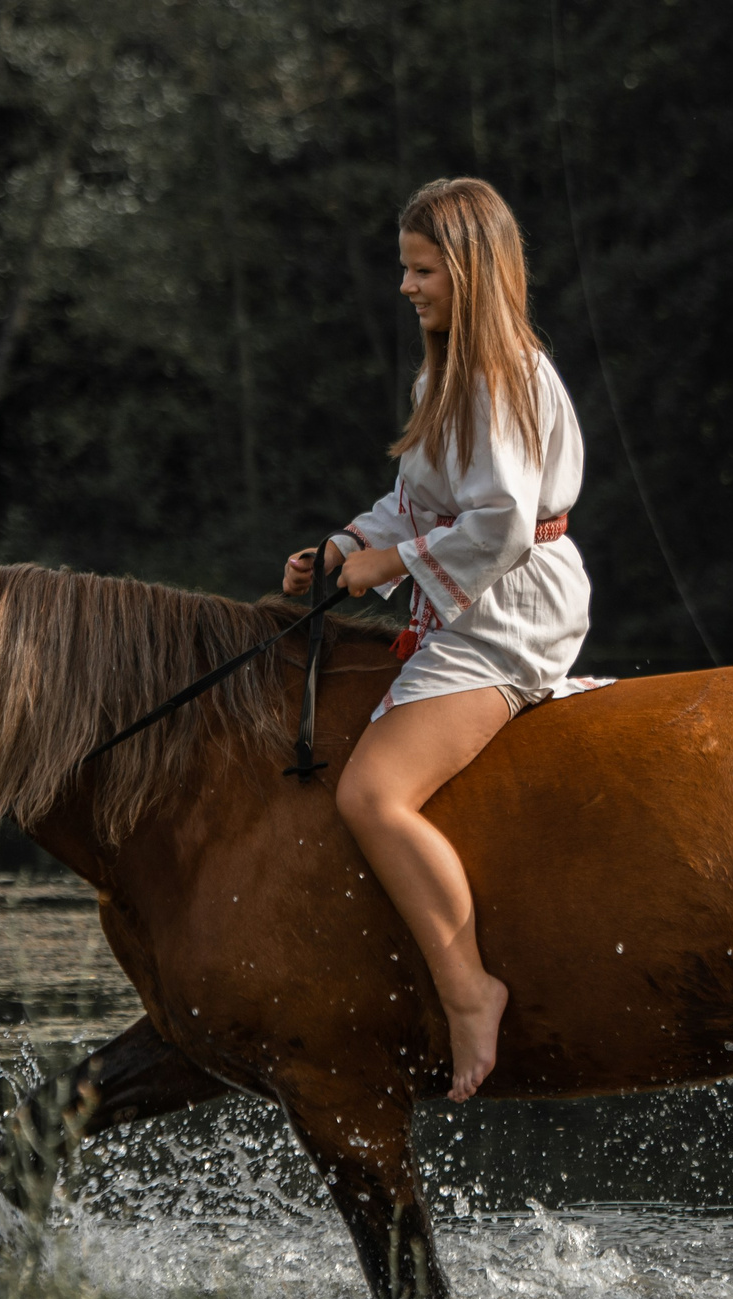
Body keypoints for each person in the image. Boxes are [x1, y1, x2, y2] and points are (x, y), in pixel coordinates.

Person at [282, 176, 590, 1103]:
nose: (407, 288)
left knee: (372, 793)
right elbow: (420, 503)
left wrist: (394, 567)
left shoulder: (499, 377)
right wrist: (349, 544)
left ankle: (468, 991)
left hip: (509, 609)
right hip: (472, 596)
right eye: (404, 270)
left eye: (421, 271)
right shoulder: (449, 373)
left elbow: (499, 525)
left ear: (466, 270)